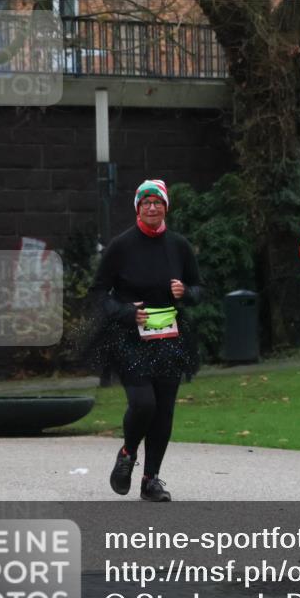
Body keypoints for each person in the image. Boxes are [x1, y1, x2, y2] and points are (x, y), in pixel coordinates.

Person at [88, 180, 203, 501]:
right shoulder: (121, 245)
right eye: (146, 202)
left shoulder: (179, 245)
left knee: (164, 410)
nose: (152, 207)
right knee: (143, 404)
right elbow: (98, 292)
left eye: (158, 202)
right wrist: (125, 312)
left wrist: (186, 292)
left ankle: (151, 480)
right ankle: (127, 454)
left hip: (169, 337)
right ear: (137, 208)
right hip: (129, 337)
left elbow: (198, 288)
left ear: (166, 206)